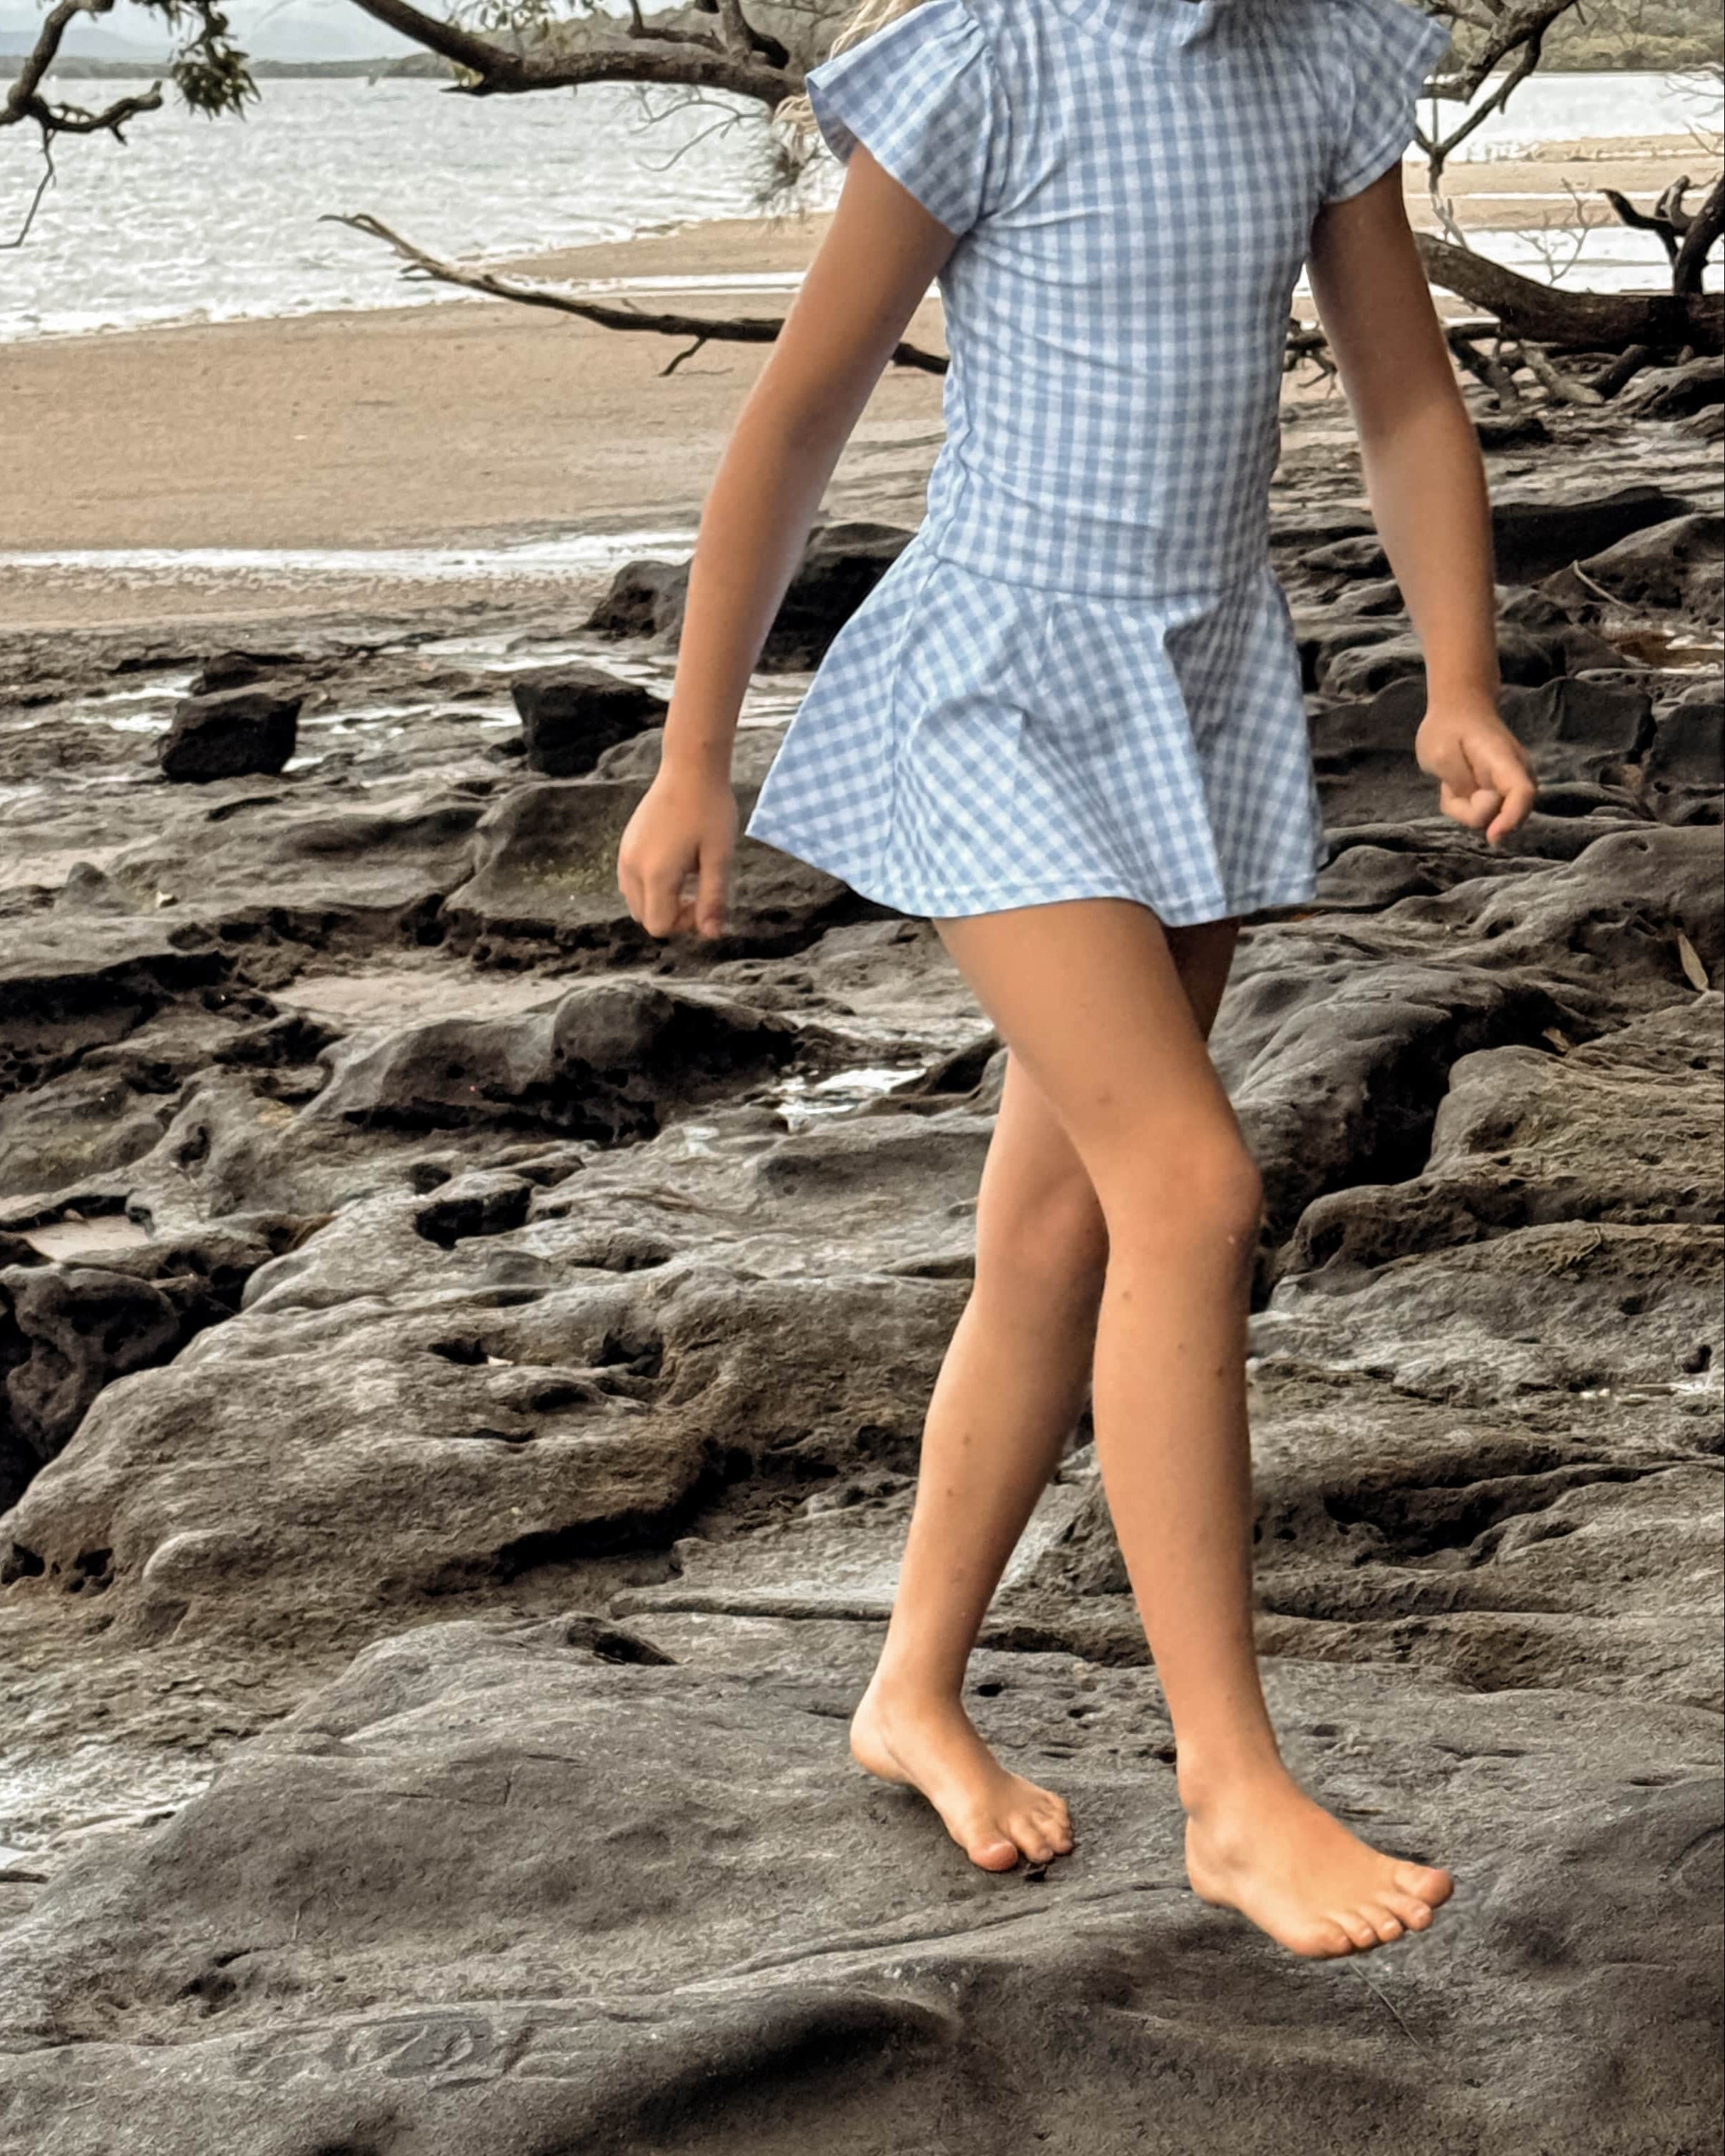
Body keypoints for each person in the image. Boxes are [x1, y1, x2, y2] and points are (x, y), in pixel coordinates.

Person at [616, 0, 1538, 1960]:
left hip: (1192, 691)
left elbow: (1400, 395)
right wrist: (695, 749)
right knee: (1189, 1193)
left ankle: (910, 1693)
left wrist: (1455, 675)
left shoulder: (1318, 58)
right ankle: (1229, 1787)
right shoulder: (989, 56)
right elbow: (799, 409)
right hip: (997, 693)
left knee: (1057, 1222)